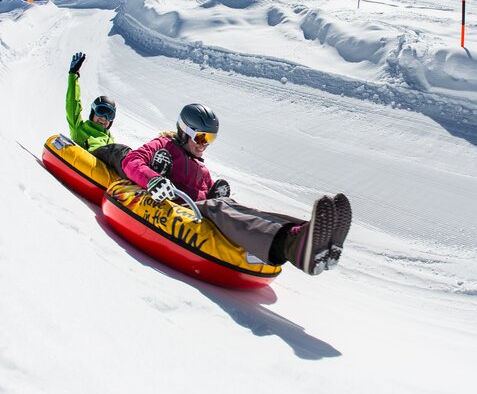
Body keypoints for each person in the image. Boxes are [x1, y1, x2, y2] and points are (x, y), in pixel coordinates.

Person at [121, 103, 352, 276]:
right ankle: (293, 246)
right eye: (201, 137)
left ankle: (305, 234)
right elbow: (132, 161)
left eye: (210, 138)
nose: (205, 144)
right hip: (175, 206)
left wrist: (215, 193)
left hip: (198, 210)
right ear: (185, 131)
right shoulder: (165, 145)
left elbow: (209, 194)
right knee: (220, 206)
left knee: (235, 206)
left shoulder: (202, 169)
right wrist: (152, 179)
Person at [66, 52, 131, 177]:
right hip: (93, 156)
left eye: (109, 115)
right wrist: (73, 75)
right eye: (101, 111)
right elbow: (72, 103)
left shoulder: (109, 139)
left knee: (133, 155)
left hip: (106, 169)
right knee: (121, 151)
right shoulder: (79, 128)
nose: (104, 118)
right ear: (92, 113)